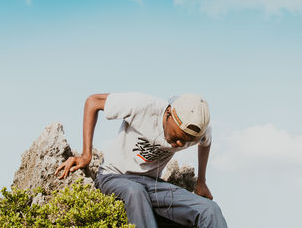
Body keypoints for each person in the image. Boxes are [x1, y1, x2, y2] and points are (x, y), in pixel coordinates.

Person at [55, 92, 227, 228]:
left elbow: (206, 142)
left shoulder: (198, 133)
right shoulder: (143, 106)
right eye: (177, 137)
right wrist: (86, 155)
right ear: (169, 113)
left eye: (187, 141)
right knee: (135, 192)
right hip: (113, 177)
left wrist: (201, 182)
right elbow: (93, 102)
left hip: (153, 185)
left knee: (211, 210)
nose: (180, 143)